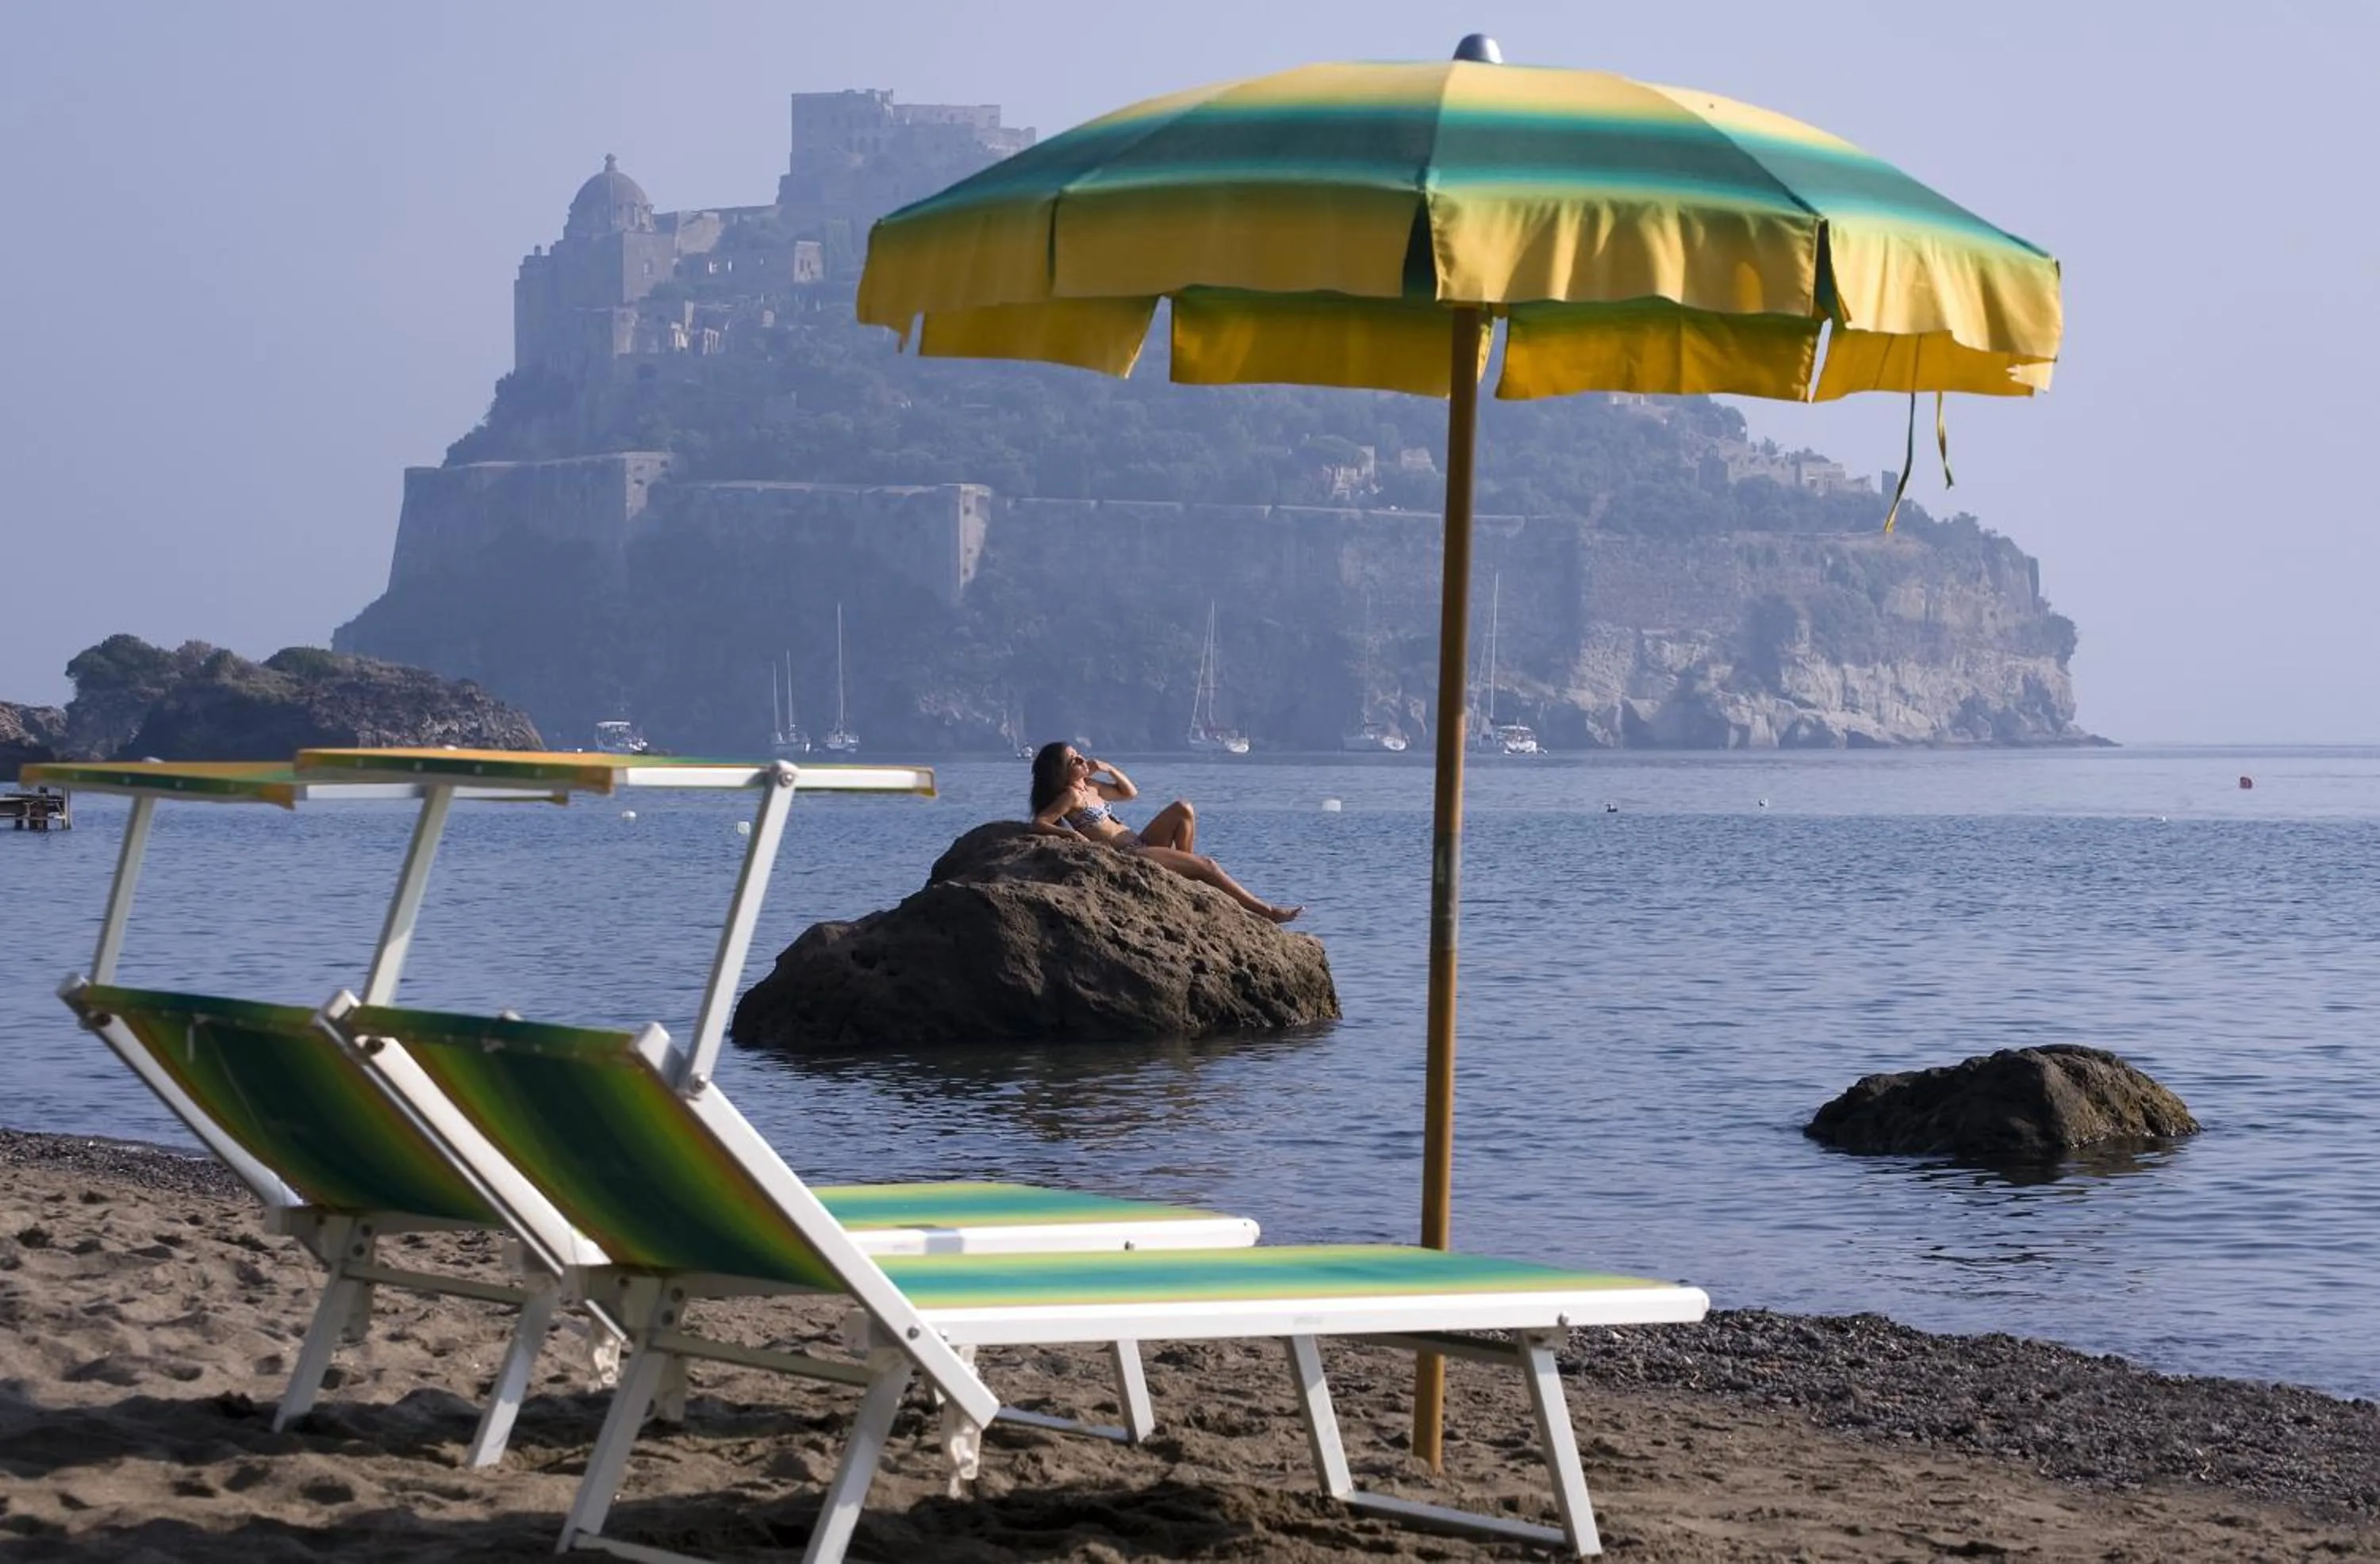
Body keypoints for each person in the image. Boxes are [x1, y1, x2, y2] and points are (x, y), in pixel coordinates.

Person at [1028, 742, 1301, 923]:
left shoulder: (1092, 787)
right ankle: (1268, 912)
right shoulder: (1070, 796)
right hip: (1130, 854)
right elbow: (1040, 822)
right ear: (1062, 771)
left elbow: (1130, 793)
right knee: (1209, 865)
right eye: (1074, 759)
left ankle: (1186, 876)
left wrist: (1109, 768)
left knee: (1183, 808)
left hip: (1142, 842)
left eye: (1079, 754)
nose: (1082, 758)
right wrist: (1072, 836)